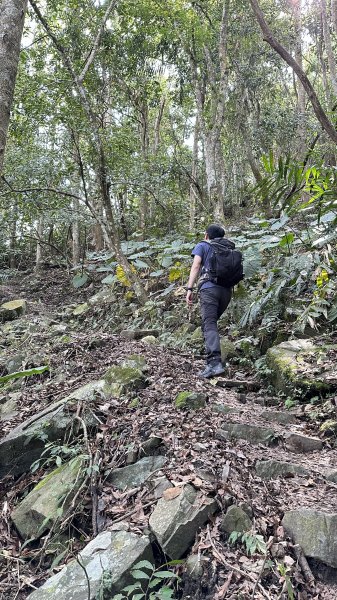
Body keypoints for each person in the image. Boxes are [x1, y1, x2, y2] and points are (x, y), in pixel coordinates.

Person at [186, 223, 233, 378]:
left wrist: (189, 289)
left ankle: (214, 364)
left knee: (209, 323)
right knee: (210, 324)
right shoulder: (229, 248)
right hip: (226, 291)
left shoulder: (202, 245)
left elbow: (196, 266)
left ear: (206, 235)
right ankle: (213, 359)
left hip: (209, 289)